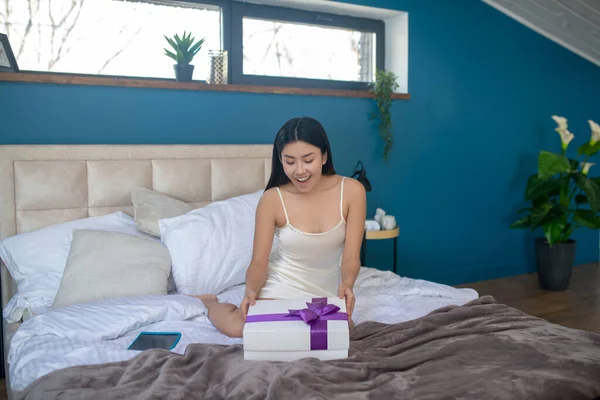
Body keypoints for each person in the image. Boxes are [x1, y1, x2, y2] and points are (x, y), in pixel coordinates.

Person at [199, 116, 366, 338]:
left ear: (324, 156)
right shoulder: (272, 199)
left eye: (308, 160)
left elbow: (351, 257)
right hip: (282, 286)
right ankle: (211, 304)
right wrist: (251, 292)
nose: (299, 171)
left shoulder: (352, 191)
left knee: (341, 333)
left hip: (325, 293)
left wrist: (347, 284)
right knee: (242, 329)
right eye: (290, 162)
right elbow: (259, 261)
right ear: (280, 160)